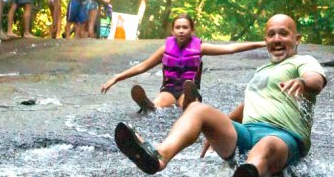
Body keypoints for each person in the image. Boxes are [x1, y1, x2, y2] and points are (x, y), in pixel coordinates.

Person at [113, 14, 327, 177]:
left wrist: (302, 82)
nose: (277, 39)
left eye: (284, 33)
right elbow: (250, 105)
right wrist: (219, 125)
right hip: (247, 133)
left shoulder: (302, 61)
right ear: (266, 40)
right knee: (197, 109)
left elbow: (316, 80)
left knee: (266, 145)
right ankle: (158, 156)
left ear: (297, 39)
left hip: (283, 138)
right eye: (271, 34)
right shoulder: (262, 71)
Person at [101, 13, 266, 112]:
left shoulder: (200, 48)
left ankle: (190, 100)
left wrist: (262, 43)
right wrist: (117, 78)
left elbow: (232, 48)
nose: (181, 30)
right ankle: (148, 105)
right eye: (178, 27)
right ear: (172, 30)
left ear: (192, 30)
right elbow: (142, 66)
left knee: (187, 104)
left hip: (188, 89)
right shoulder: (165, 49)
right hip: (169, 89)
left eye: (185, 27)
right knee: (159, 103)